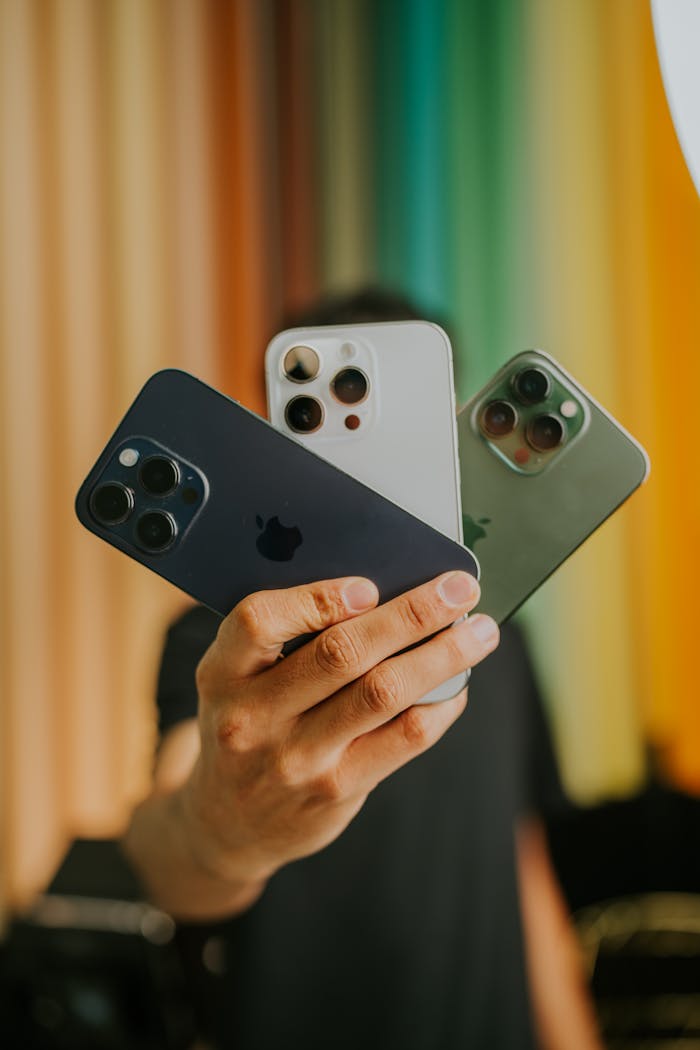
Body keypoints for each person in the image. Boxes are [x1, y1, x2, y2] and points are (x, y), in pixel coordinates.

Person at [123, 289, 602, 1048]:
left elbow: (522, 858)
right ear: (274, 431)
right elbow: (166, 864)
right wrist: (224, 831)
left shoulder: (491, 628)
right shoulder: (221, 635)